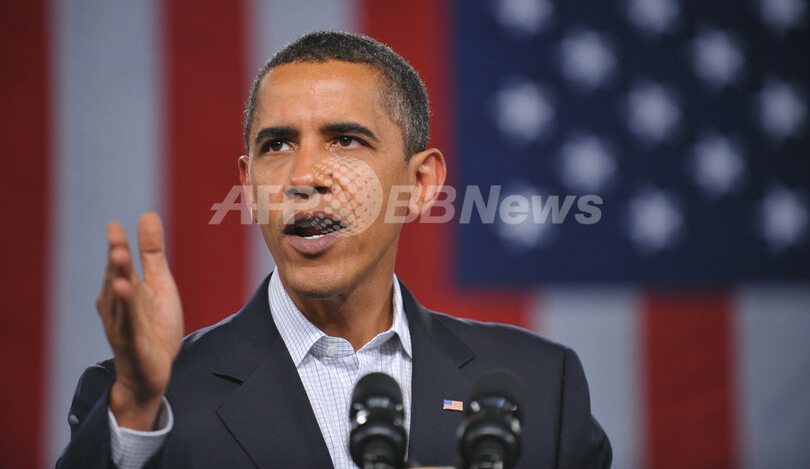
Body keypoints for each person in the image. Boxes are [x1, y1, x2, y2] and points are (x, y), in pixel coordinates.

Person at [57, 31, 611, 469]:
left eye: (345, 140)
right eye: (278, 145)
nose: (303, 177)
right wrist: (135, 410)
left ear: (420, 184)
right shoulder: (141, 401)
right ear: (249, 186)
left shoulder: (543, 384)